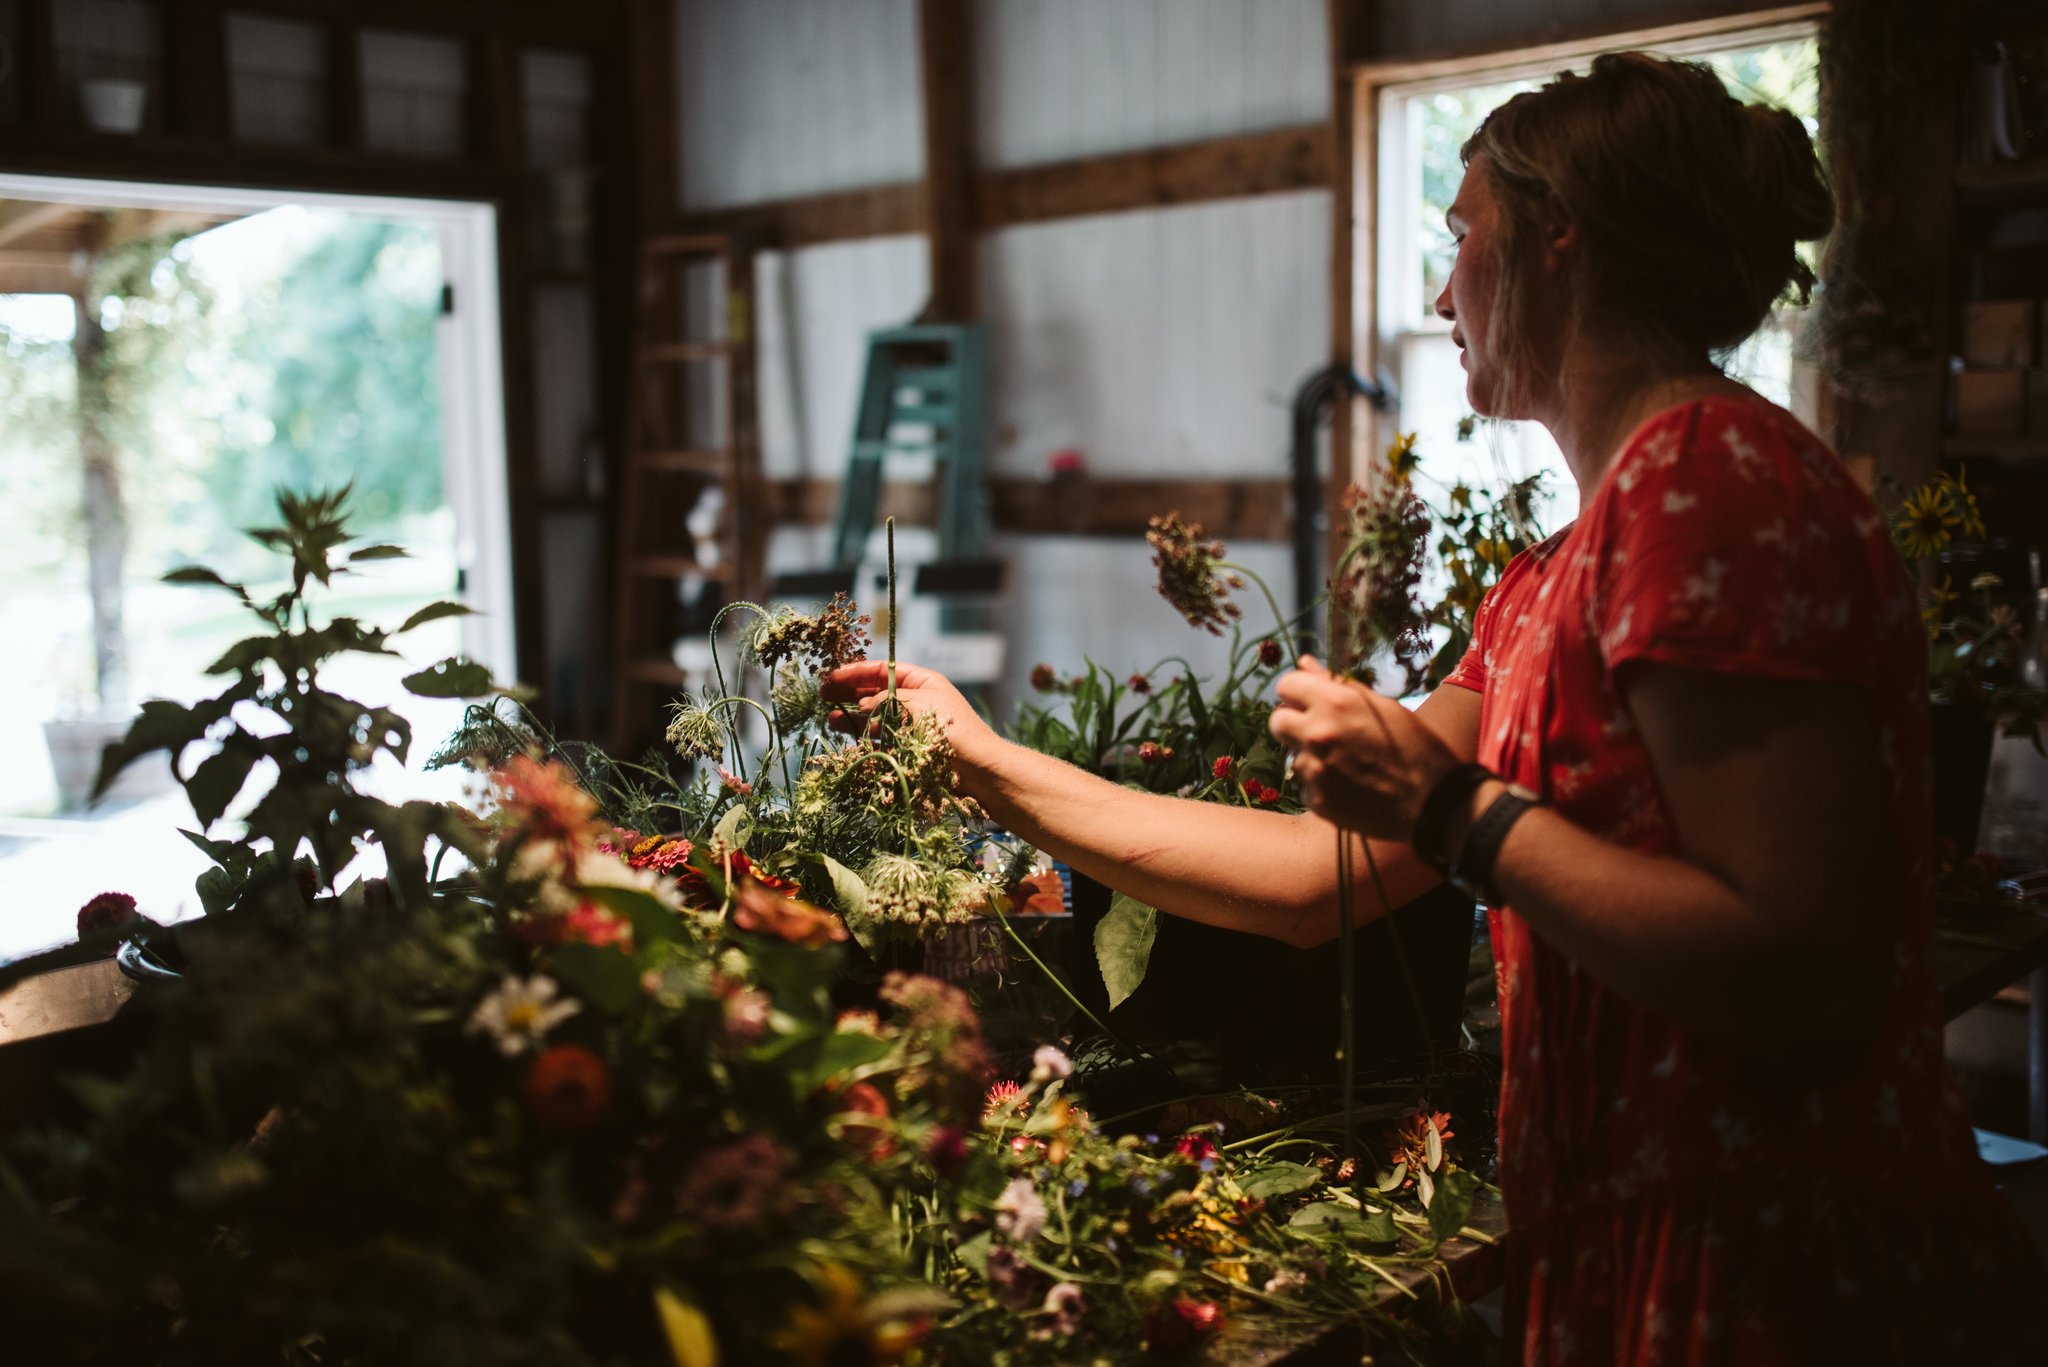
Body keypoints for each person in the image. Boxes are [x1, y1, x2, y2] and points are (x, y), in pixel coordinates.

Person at [825, 52, 2045, 1363]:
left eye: (1460, 239)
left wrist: (1456, 808)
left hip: (1779, 1267)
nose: (1437, 290)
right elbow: (1317, 879)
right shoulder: (1552, 577)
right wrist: (984, 757)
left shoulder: (1717, 490)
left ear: (1556, 241)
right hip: (1629, 1242)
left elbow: (1800, 972)